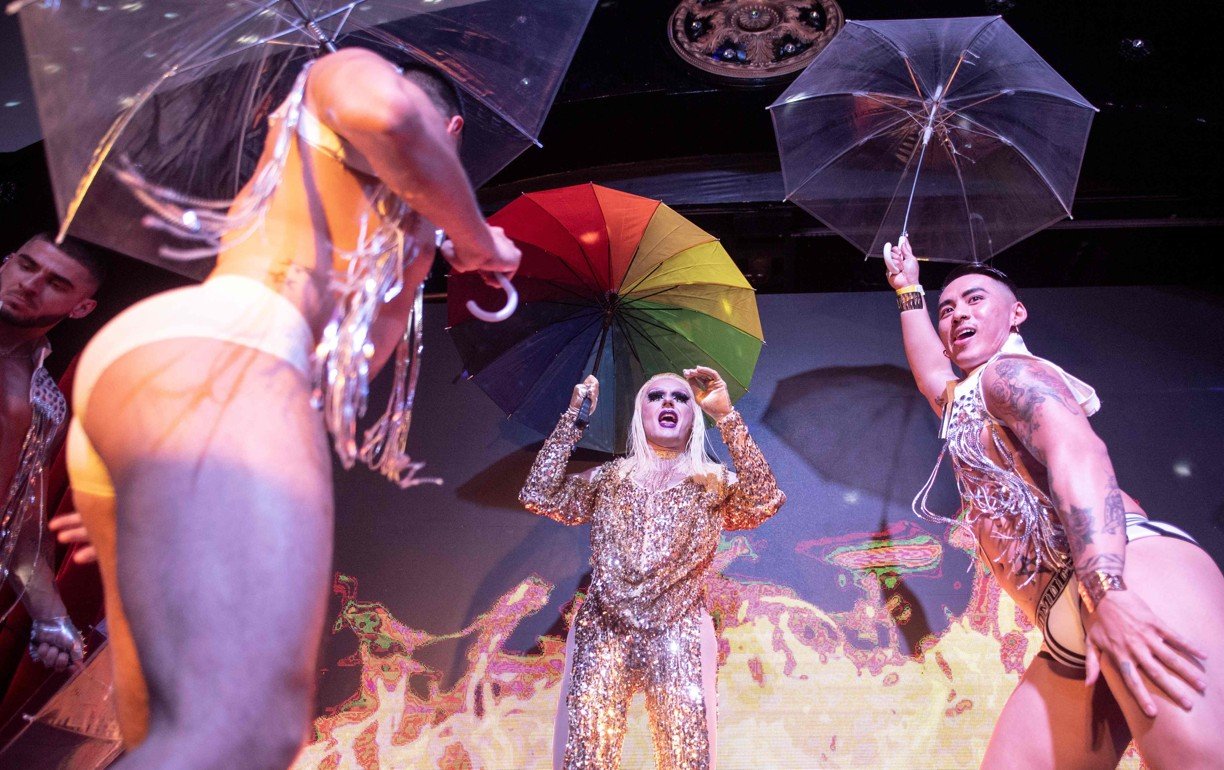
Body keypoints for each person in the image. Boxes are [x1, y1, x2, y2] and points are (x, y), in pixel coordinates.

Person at [69, 47, 520, 770]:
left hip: (184, 387)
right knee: (248, 734)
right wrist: (478, 236)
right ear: (456, 130)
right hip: (228, 351)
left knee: (157, 728)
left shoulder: (414, 239)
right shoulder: (345, 72)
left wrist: (172, 496)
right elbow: (395, 117)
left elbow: (344, 369)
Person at [883, 236, 1224, 769]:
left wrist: (1108, 591)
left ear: (1016, 313)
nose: (956, 314)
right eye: (947, 309)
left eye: (975, 299)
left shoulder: (1014, 375)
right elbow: (932, 374)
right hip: (1066, 630)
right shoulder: (965, 400)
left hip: (1129, 577)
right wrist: (908, 289)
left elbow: (1082, 454)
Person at [519, 366, 786, 770]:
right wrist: (574, 418)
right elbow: (538, 494)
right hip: (603, 630)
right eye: (655, 396)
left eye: (680, 398)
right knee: (585, 757)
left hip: (679, 631)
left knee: (686, 760)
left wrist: (726, 416)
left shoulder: (712, 482)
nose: (668, 402)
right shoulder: (608, 478)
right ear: (639, 413)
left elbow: (764, 500)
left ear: (693, 416)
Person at [0, 233, 103, 673]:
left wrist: (51, 614)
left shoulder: (45, 402)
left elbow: (19, 521)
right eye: (26, 265)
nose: (30, 283)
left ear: (80, 308)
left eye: (57, 283)